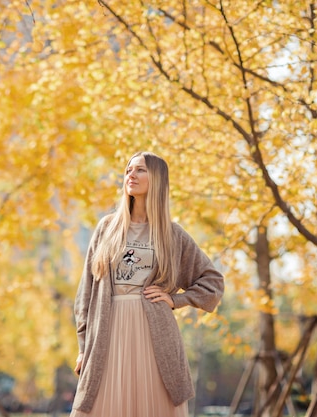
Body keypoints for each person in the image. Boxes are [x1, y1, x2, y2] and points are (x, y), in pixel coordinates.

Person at [70, 151, 225, 417]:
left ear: (157, 179)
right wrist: (83, 348)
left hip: (155, 337)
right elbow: (86, 294)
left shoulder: (172, 235)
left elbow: (213, 282)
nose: (131, 175)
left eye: (140, 170)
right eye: (129, 169)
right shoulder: (107, 228)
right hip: (108, 332)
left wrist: (176, 299)